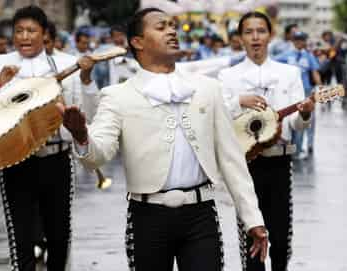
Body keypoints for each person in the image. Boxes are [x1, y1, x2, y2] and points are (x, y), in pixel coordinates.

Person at [58, 8, 268, 271]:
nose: (171, 31)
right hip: (147, 218)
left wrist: (253, 219)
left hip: (201, 215)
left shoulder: (207, 89)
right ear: (137, 42)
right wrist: (81, 135)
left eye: (172, 25)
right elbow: (98, 156)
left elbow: (231, 159)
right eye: (161, 27)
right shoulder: (118, 95)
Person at [0, 5, 99, 271]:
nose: (24, 36)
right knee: (21, 237)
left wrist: (86, 76)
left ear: (44, 34)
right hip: (15, 161)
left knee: (59, 235)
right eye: (19, 31)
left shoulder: (65, 64)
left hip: (56, 159)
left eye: (31, 31)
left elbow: (89, 113)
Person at [218, 12, 315, 271]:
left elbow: (295, 123)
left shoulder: (289, 73)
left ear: (270, 35)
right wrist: (238, 102)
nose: (255, 37)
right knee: (251, 238)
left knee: (281, 238)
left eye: (261, 31)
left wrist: (304, 114)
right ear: (239, 38)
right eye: (248, 32)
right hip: (244, 166)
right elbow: (217, 118)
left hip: (280, 162)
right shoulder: (228, 77)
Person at [275, 31, 321, 158]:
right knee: (292, 119)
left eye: (303, 40)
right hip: (291, 91)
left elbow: (315, 72)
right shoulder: (286, 55)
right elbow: (272, 65)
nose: (301, 42)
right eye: (298, 40)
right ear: (294, 41)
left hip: (306, 90)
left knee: (308, 118)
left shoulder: (308, 56)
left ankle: (308, 146)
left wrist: (320, 87)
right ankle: (295, 148)